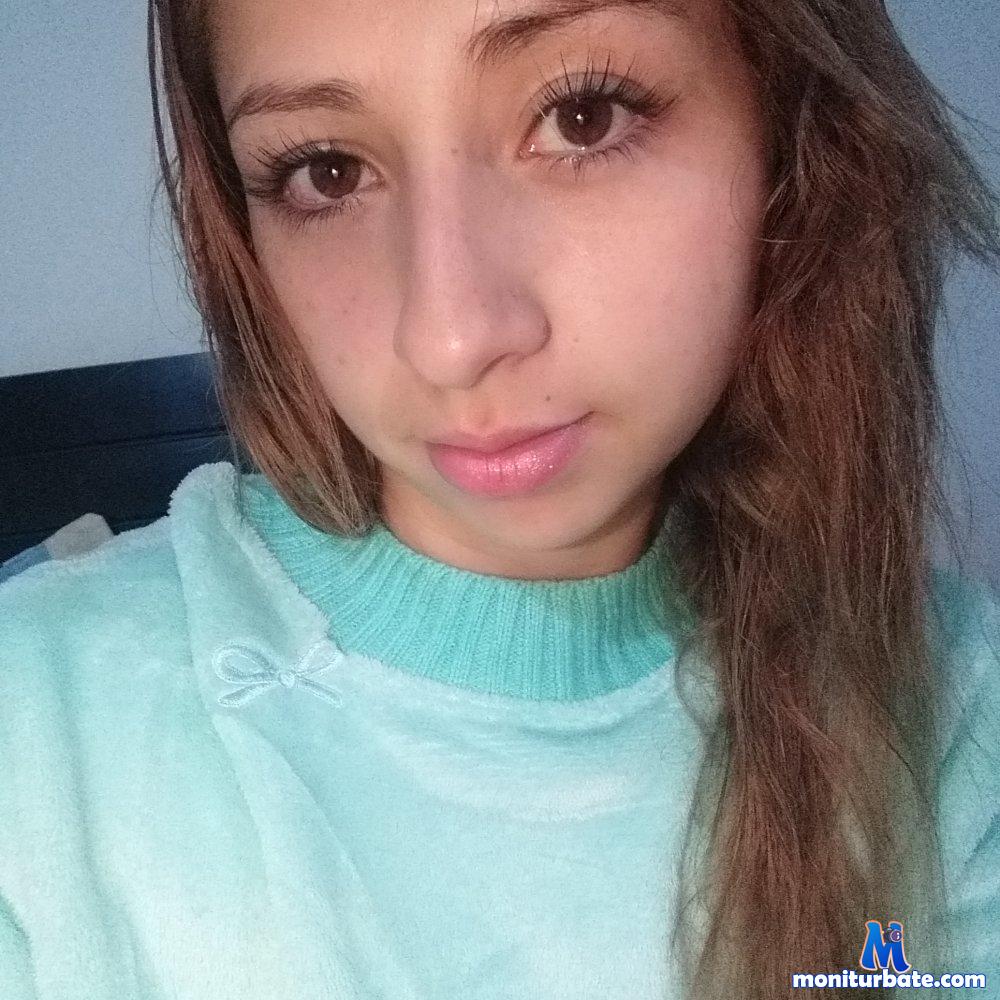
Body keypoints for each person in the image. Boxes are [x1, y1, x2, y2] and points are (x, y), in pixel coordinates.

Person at [1, 0, 998, 997]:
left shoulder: (955, 712)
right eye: (328, 171)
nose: (451, 336)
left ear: (789, 133)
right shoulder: (37, 729)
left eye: (582, 118)